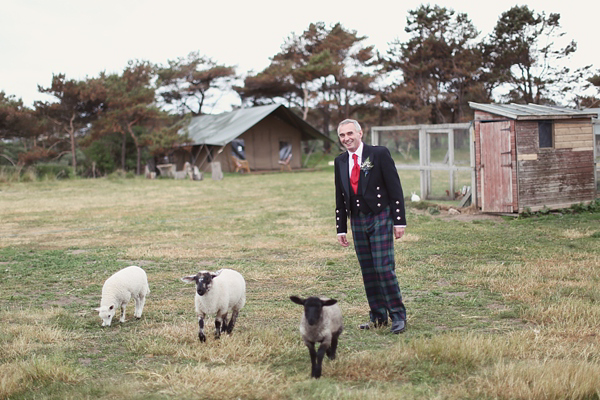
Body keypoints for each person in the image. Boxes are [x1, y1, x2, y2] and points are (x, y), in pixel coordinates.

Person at [334, 118, 407, 334]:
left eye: (350, 134)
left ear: (360, 133)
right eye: (342, 135)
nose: (346, 138)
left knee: (383, 268)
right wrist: (341, 227)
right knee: (368, 270)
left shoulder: (379, 154)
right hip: (357, 219)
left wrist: (399, 221)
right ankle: (378, 316)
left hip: (380, 216)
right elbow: (340, 195)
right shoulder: (340, 161)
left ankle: (398, 315)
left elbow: (395, 188)